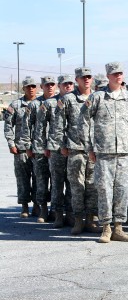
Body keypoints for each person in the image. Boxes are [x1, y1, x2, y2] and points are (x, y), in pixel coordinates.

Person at [80, 61, 128, 243]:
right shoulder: (98, 97)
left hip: (124, 152)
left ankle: (119, 227)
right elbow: (83, 121)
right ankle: (106, 227)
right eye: (114, 74)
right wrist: (89, 146)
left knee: (123, 189)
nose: (118, 76)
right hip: (103, 152)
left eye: (120, 73)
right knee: (104, 190)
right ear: (108, 76)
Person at [51, 67, 101, 235]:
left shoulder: (97, 97)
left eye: (88, 77)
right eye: (82, 77)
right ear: (77, 79)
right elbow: (58, 125)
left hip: (94, 149)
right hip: (76, 149)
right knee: (77, 187)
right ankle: (78, 220)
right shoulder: (68, 99)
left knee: (93, 186)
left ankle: (91, 220)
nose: (86, 80)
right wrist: (62, 145)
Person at [20, 76, 57, 223]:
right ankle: (42, 209)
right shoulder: (35, 104)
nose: (49, 87)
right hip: (39, 149)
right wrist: (28, 147)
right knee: (40, 180)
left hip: (56, 149)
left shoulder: (59, 103)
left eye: (52, 84)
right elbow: (26, 127)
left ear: (55, 86)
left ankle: (55, 210)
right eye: (46, 85)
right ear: (42, 86)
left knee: (57, 181)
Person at [5, 77, 38, 218]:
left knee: (39, 179)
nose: (30, 89)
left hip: (38, 149)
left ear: (36, 88)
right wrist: (11, 144)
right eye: (27, 86)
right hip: (21, 149)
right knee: (23, 180)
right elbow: (8, 126)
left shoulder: (42, 103)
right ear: (23, 88)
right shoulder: (16, 105)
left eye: (33, 86)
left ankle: (38, 206)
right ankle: (24, 207)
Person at [46, 75, 76, 227]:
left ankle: (70, 213)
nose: (68, 86)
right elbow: (47, 127)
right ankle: (57, 214)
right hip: (57, 148)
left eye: (71, 83)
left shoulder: (77, 100)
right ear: (59, 85)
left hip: (73, 148)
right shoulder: (51, 103)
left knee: (72, 183)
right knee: (57, 183)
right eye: (65, 84)